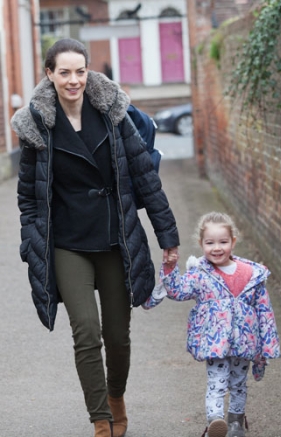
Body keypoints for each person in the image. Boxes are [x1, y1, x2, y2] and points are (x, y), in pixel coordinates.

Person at [11, 38, 179, 437]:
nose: (74, 80)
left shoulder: (112, 114)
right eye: (64, 72)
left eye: (80, 71)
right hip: (67, 242)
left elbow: (145, 176)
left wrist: (167, 235)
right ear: (49, 75)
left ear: (88, 72)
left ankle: (116, 395)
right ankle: (101, 419)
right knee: (86, 331)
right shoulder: (37, 126)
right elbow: (28, 197)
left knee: (117, 336)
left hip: (115, 237)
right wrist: (30, 241)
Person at [144, 211, 280, 437]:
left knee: (238, 383)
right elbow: (177, 291)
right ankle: (216, 421)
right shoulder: (200, 275)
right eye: (210, 243)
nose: (217, 248)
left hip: (244, 344)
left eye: (223, 242)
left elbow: (264, 311)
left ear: (233, 242)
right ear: (201, 244)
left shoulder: (251, 275)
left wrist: (267, 345)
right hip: (215, 345)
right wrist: (170, 267)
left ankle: (236, 423)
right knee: (217, 382)